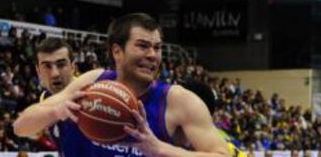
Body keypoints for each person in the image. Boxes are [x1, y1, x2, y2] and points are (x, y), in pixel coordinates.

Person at [14, 13, 230, 156]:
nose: (152, 55)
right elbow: (20, 127)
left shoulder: (178, 100)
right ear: (117, 51)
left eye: (157, 47)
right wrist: (55, 111)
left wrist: (160, 149)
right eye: (143, 46)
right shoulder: (91, 82)